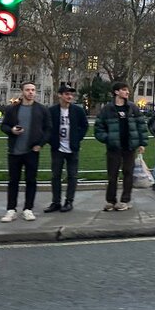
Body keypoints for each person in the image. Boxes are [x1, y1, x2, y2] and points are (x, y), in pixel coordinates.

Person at [0, 82, 52, 222]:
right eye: (28, 90)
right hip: (14, 151)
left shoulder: (42, 109)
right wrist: (11, 130)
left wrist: (40, 144)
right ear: (22, 91)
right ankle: (11, 209)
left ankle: (28, 209)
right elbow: (4, 126)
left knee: (31, 180)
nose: (30, 92)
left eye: (33, 90)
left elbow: (48, 129)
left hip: (32, 151)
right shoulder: (12, 109)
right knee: (13, 181)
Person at [94, 81, 147, 211]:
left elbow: (141, 125)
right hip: (114, 148)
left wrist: (142, 143)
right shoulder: (107, 109)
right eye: (124, 90)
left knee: (128, 173)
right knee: (112, 175)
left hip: (129, 147)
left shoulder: (132, 108)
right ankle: (111, 201)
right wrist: (108, 139)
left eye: (127, 90)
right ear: (116, 92)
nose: (127, 92)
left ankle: (125, 200)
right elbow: (98, 128)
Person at [44, 84, 89, 213]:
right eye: (66, 94)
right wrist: (52, 141)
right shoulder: (52, 111)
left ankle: (69, 201)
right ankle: (56, 202)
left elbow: (84, 126)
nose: (69, 96)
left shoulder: (78, 110)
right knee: (55, 176)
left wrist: (77, 138)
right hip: (58, 148)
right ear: (60, 95)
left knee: (72, 175)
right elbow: (46, 127)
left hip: (72, 148)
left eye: (71, 94)